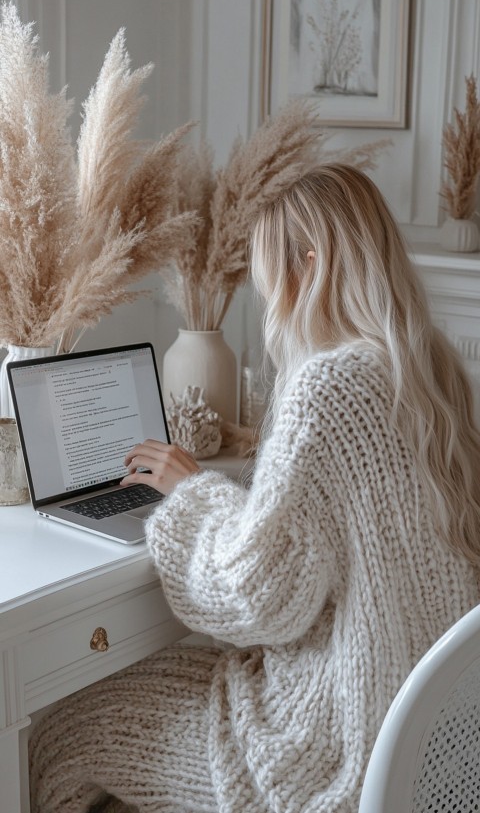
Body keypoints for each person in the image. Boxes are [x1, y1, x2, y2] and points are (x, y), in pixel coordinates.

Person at [29, 164, 480, 813]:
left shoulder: (328, 389)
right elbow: (331, 533)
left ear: (313, 263)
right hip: (430, 747)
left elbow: (257, 596)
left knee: (63, 731)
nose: (270, 303)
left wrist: (189, 493)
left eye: (271, 282)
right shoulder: (433, 371)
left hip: (332, 751)